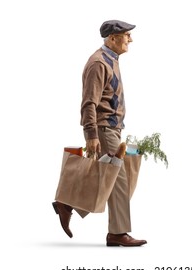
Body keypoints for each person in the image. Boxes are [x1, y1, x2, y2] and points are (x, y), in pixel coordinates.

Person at [52, 20, 147, 247]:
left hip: (111, 128)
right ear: (112, 38)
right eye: (126, 35)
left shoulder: (110, 60)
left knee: (110, 178)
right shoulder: (98, 63)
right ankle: (117, 233)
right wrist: (91, 135)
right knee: (119, 179)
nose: (130, 39)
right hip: (104, 129)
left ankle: (68, 205)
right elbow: (89, 103)